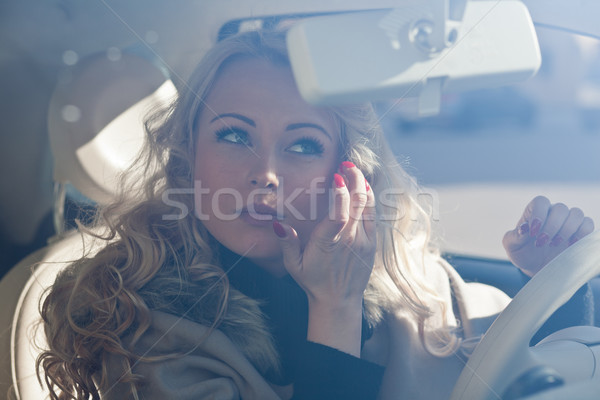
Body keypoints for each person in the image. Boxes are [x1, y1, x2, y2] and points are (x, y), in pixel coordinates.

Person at [38, 30, 595, 400]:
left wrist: (556, 282)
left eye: (303, 145)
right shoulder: (135, 318)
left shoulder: (407, 277)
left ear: (347, 172)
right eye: (234, 135)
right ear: (187, 159)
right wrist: (334, 309)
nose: (267, 175)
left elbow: (516, 369)